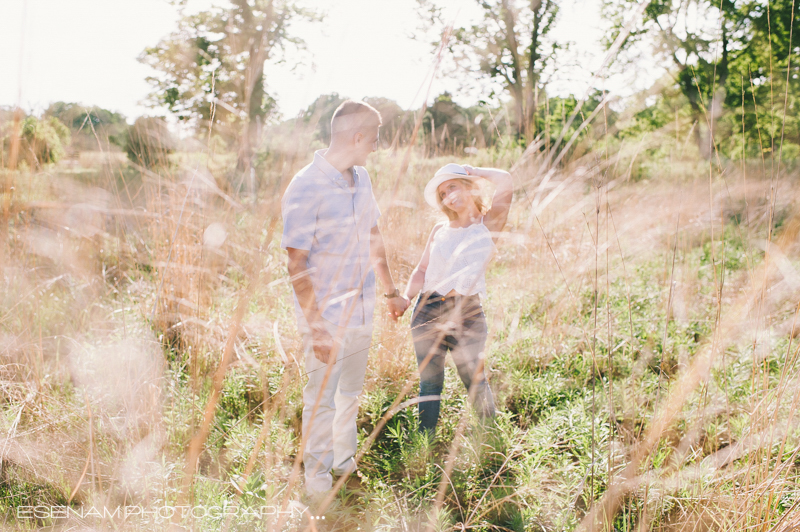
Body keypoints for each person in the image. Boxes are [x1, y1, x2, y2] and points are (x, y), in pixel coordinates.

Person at [281, 100, 407, 496]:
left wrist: (389, 291)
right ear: (356, 137)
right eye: (374, 138)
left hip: (364, 306)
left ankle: (342, 461)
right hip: (326, 316)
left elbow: (373, 237)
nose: (376, 146)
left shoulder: (362, 178)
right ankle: (317, 480)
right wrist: (317, 328)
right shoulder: (305, 185)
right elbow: (296, 263)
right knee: (321, 399)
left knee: (350, 391)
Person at [401, 163, 513, 438]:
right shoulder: (439, 229)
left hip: (468, 312)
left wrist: (472, 169)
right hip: (428, 310)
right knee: (429, 384)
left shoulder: (489, 223)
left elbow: (506, 181)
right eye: (442, 193)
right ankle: (424, 443)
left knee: (474, 379)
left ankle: (489, 440)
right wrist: (405, 297)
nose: (448, 195)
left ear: (468, 185)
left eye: (452, 186)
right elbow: (422, 270)